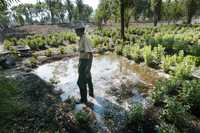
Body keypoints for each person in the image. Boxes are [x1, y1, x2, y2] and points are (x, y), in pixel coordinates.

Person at [75, 23, 94, 104]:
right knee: (88, 77)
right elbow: (84, 51)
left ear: (80, 30)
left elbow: (90, 54)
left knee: (80, 82)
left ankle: (83, 99)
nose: (75, 31)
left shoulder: (85, 39)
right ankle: (91, 93)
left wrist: (88, 68)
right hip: (83, 61)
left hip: (85, 62)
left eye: (76, 30)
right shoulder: (82, 38)